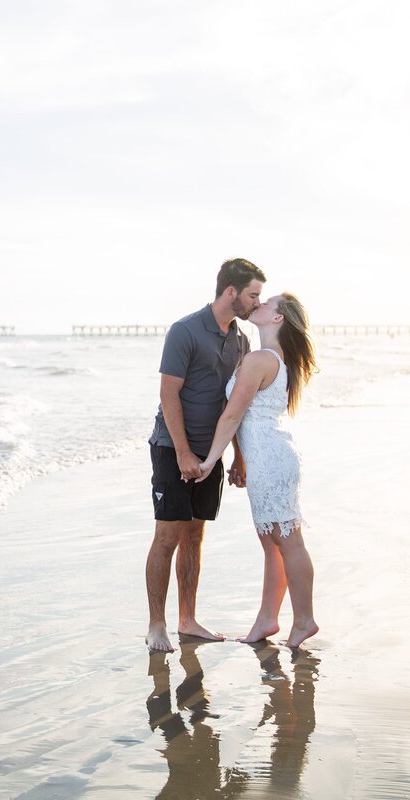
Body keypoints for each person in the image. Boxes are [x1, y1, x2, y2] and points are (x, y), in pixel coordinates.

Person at [146, 258, 265, 652]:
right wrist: (181, 452)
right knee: (168, 535)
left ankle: (188, 619)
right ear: (230, 292)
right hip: (172, 448)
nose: (256, 303)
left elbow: (234, 405)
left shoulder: (242, 341)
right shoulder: (185, 331)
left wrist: (238, 457)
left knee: (195, 535)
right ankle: (157, 625)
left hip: (211, 455)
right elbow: (168, 395)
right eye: (252, 295)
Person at [196, 293, 319, 648]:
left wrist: (209, 461)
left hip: (271, 458)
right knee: (272, 543)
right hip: (270, 456)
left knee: (288, 541)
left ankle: (304, 620)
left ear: (277, 319)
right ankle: (267, 620)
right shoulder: (271, 358)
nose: (260, 303)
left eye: (269, 303)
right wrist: (239, 458)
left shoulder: (261, 359)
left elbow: (233, 415)